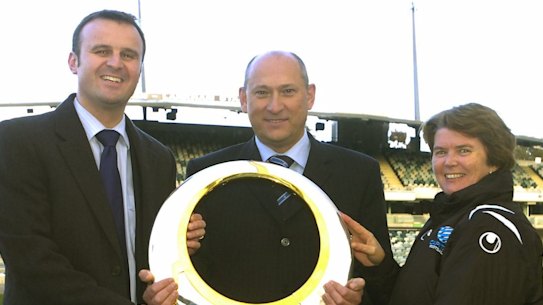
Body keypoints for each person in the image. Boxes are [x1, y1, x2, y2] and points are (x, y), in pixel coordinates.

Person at [0, 10, 204, 305]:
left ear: (140, 67)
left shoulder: (158, 159)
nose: (115, 63)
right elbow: (33, 262)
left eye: (129, 55)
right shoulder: (17, 142)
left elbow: (150, 262)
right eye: (101, 51)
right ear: (74, 61)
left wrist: (177, 247)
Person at [183, 50, 393, 305]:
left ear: (310, 95)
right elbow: (190, 274)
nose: (275, 106)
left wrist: (358, 299)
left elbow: (381, 277)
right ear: (243, 98)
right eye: (262, 92)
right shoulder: (205, 173)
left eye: (288, 91)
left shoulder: (360, 173)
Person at [341, 103, 543, 305]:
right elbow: (413, 296)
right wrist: (379, 266)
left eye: (464, 150)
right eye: (440, 152)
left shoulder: (488, 226)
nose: (449, 162)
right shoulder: (449, 214)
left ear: (494, 159)